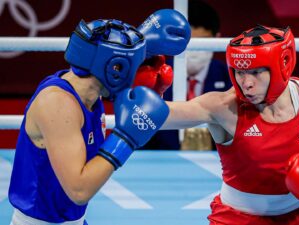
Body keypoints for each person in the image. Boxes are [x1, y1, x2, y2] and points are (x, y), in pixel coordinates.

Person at [7, 9, 190, 225]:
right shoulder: (58, 105)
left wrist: (223, 102)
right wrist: (124, 139)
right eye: (132, 64)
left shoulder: (90, 91)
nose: (135, 72)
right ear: (115, 68)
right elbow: (79, 189)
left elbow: (181, 112)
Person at [161, 25, 299, 224]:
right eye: (239, 72)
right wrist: (140, 92)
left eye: (255, 72)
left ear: (284, 64)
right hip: (238, 217)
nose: (246, 83)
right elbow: (164, 116)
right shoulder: (224, 106)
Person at [142, 0, 232, 150]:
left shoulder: (230, 77)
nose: (193, 48)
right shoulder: (154, 74)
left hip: (217, 163)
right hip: (162, 163)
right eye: (187, 41)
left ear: (216, 39)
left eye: (202, 41)